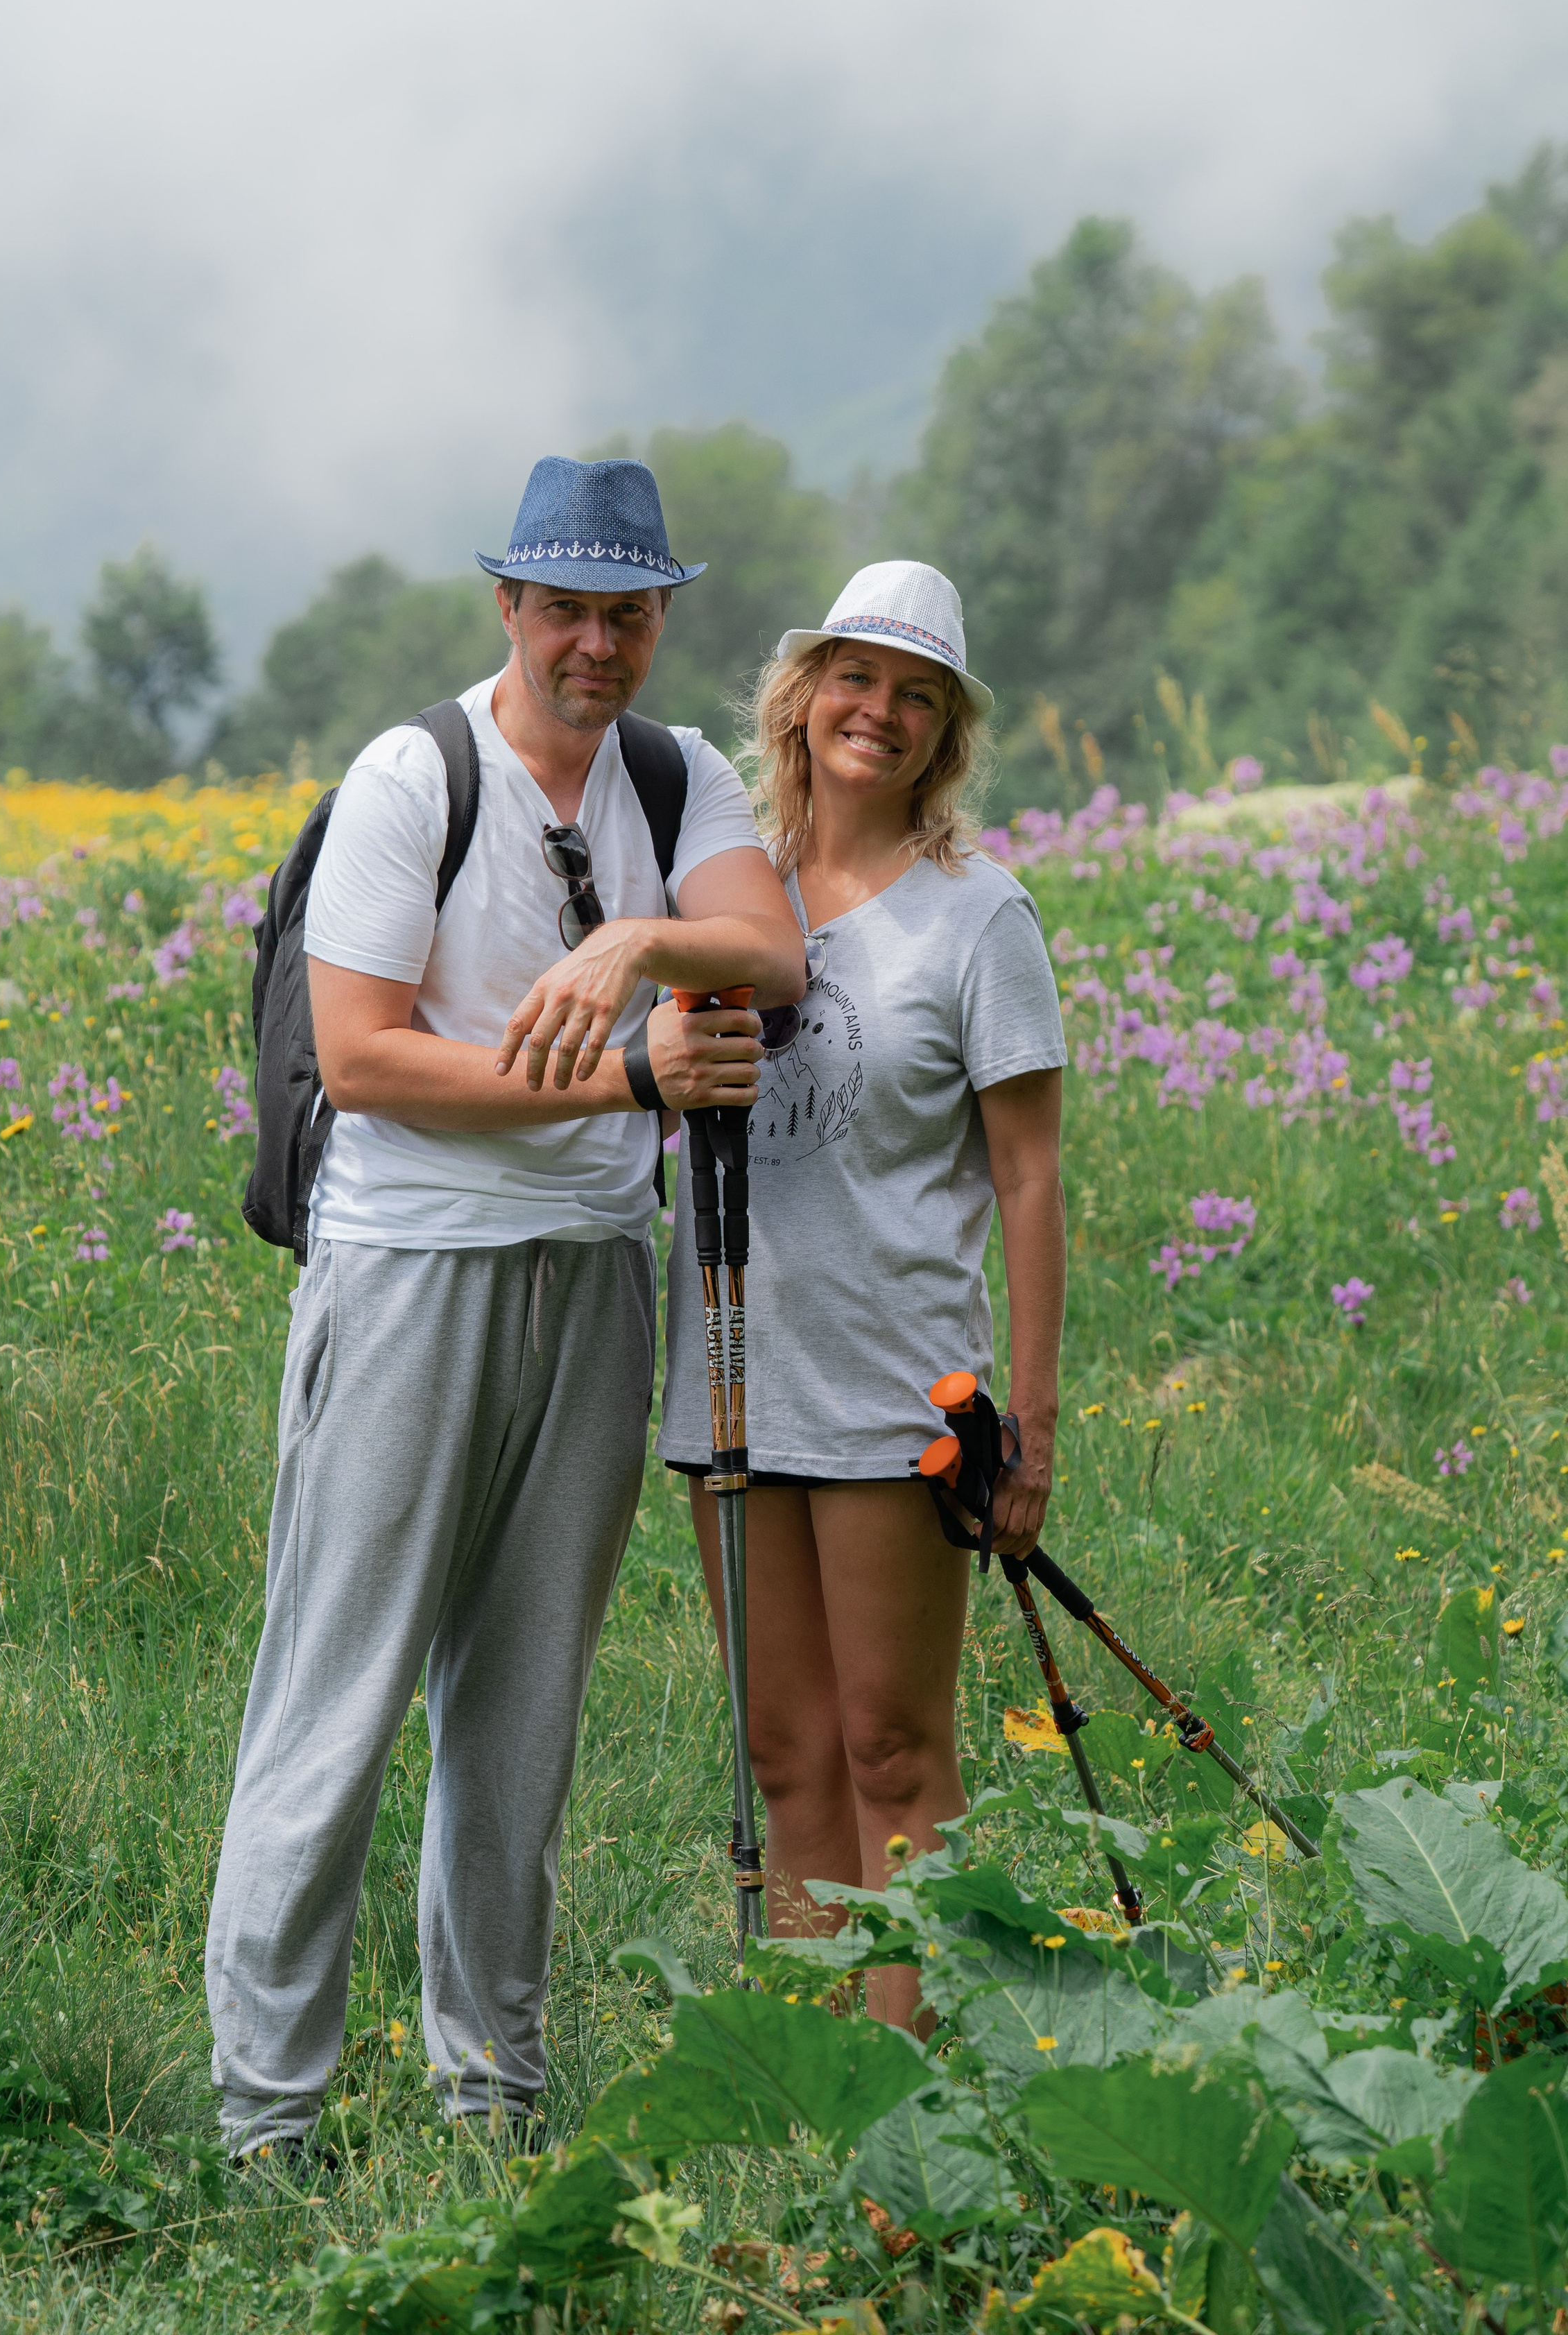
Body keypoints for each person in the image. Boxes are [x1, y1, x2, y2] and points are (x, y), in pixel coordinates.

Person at [205, 456, 805, 2155]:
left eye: (627, 613)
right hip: (409, 1268)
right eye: (567, 611)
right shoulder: (416, 776)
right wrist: (628, 1079)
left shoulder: (678, 782)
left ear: (660, 615)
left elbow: (772, 960)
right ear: (509, 608)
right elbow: (364, 1059)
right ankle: (268, 2123)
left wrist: (634, 952)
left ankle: (494, 2096)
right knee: (337, 1684)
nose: (597, 645)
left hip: (595, 1279)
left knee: (522, 1708)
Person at [657, 558, 1067, 2028]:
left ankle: (906, 2084)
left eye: (914, 695)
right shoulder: (725, 891)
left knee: (892, 1747)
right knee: (781, 1751)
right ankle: (816, 2070)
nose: (875, 713)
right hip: (729, 1385)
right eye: (854, 678)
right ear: (801, 694)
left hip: (899, 1394)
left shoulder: (979, 917)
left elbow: (1026, 1178)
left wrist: (1024, 1420)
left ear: (943, 734)